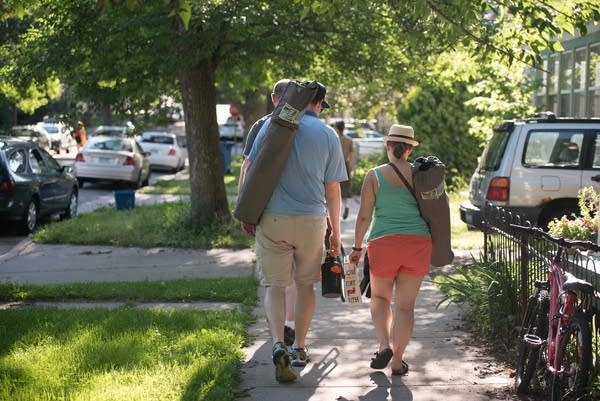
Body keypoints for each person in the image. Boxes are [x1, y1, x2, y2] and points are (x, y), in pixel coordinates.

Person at [241, 81, 347, 383]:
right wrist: (335, 232)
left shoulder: (271, 128)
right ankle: (299, 346)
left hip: (272, 218)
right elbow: (333, 189)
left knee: (275, 286)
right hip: (312, 221)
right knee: (304, 286)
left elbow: (250, 169)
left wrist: (246, 211)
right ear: (319, 104)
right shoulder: (327, 134)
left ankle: (277, 343)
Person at [348, 124, 431, 376]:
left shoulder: (375, 175)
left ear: (388, 146)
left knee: (381, 298)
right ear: (409, 148)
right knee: (405, 307)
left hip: (384, 244)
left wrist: (356, 246)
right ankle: (397, 361)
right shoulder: (424, 175)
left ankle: (384, 345)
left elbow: (364, 216)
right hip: (418, 244)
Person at [239, 79, 296, 347]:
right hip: (304, 212)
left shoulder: (260, 126)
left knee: (275, 278)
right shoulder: (307, 125)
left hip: (268, 210)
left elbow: (247, 168)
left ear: (273, 99)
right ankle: (289, 324)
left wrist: (244, 210)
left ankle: (279, 331)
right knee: (294, 275)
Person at [332, 120, 354, 219]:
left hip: (335, 164)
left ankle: (336, 211)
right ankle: (346, 206)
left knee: (334, 187)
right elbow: (351, 155)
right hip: (345, 164)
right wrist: (351, 166)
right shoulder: (349, 140)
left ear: (336, 128)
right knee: (345, 187)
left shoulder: (334, 139)